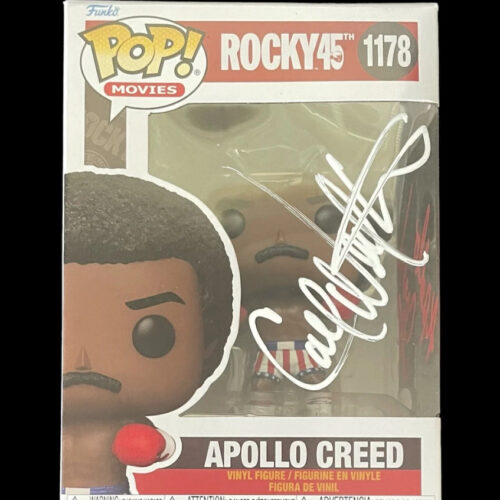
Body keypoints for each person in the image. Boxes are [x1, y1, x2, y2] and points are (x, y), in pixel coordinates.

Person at [62, 171, 234, 494]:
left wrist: (152, 445)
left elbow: (163, 447)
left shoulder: (125, 427)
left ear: (207, 342)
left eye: (151, 334)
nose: (82, 360)